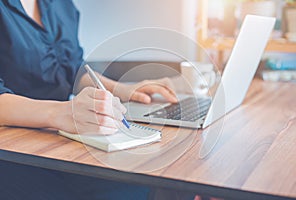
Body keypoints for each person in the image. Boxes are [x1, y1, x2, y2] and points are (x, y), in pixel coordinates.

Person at [0, 0, 178, 199]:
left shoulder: (60, 4)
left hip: (57, 141)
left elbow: (72, 68)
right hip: (13, 151)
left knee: (160, 180)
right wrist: (59, 112)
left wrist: (122, 89)